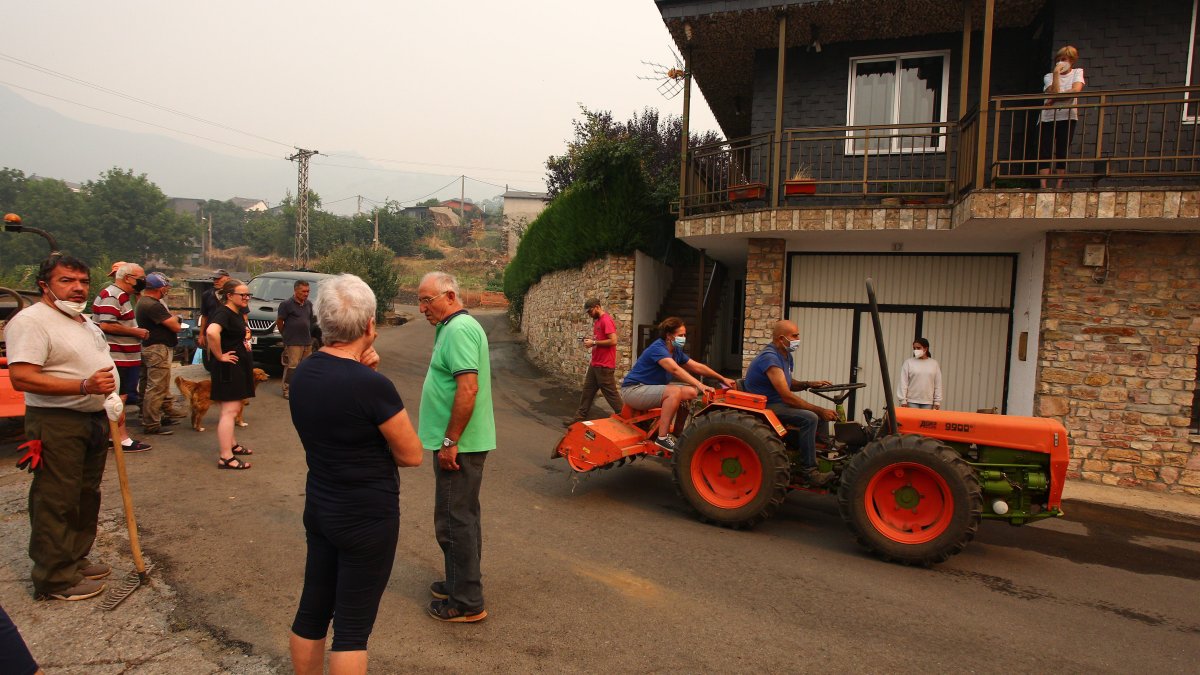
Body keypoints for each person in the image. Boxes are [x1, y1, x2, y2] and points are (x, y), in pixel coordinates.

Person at [288, 274, 423, 675]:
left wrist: (367, 371)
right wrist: (371, 377)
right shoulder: (373, 387)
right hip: (366, 515)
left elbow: (339, 408)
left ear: (322, 321)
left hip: (321, 506)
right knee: (351, 630)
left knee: (313, 609)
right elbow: (411, 455)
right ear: (370, 325)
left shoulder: (305, 373)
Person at [6, 254, 117, 601]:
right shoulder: (32, 322)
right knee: (57, 498)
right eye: (67, 281)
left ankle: (74, 558)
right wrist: (83, 387)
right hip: (57, 422)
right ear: (45, 285)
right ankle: (54, 577)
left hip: (93, 417)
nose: (77, 288)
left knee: (86, 495)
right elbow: (22, 377)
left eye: (83, 281)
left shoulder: (83, 321)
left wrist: (111, 401)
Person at [417, 271, 494, 623]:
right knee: (462, 517)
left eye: (426, 300)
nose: (421, 308)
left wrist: (450, 441)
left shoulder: (459, 329)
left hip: (459, 446)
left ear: (449, 296)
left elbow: (468, 389)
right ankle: (457, 582)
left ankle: (465, 601)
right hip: (460, 443)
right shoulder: (452, 327)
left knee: (454, 520)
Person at [619, 316, 736, 451]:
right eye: (680, 335)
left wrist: (722, 379)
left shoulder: (676, 351)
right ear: (669, 335)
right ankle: (662, 438)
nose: (684, 338)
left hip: (650, 389)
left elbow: (697, 367)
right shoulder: (658, 348)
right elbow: (675, 370)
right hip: (633, 390)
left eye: (684, 335)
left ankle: (678, 434)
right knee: (674, 392)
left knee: (691, 392)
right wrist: (701, 384)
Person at [742, 320, 837, 485]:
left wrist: (808, 383)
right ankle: (810, 471)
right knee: (811, 417)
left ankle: (823, 454)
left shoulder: (785, 355)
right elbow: (786, 396)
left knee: (818, 416)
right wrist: (819, 410)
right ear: (781, 338)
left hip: (776, 401)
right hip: (765, 405)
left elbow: (787, 382)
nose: (798, 338)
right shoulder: (770, 357)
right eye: (794, 335)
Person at [92, 261, 151, 452]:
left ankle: (114, 435)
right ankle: (120, 437)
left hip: (126, 355)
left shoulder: (123, 296)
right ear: (128, 278)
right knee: (119, 398)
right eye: (141, 278)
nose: (143, 282)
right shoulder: (113, 295)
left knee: (121, 396)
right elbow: (106, 325)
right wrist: (137, 332)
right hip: (119, 356)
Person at [205, 278, 256, 470]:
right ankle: (226, 457)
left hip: (237, 366)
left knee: (231, 409)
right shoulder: (223, 313)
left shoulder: (236, 312)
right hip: (228, 368)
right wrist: (220, 356)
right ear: (229, 296)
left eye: (248, 294)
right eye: (242, 295)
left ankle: (232, 444)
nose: (246, 298)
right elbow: (211, 332)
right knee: (229, 411)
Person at [135, 272, 184, 435]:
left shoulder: (143, 301)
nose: (167, 290)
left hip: (149, 347)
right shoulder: (153, 305)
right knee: (156, 387)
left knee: (147, 384)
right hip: (157, 349)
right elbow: (175, 326)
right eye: (165, 288)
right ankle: (152, 423)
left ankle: (148, 416)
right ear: (160, 288)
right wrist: (177, 318)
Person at [564, 298, 623, 426]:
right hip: (595, 363)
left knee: (610, 394)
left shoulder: (606, 320)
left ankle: (625, 418)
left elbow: (613, 341)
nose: (589, 314)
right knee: (587, 391)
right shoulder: (597, 321)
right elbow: (600, 339)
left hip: (604, 365)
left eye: (590, 311)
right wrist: (591, 340)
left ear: (597, 307)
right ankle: (579, 418)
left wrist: (594, 342)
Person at [1038, 45, 1085, 189]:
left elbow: (1075, 91)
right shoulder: (1049, 76)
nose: (1060, 62)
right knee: (1044, 149)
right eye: (1058, 60)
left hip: (1067, 116)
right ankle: (1043, 184)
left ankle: (1059, 183)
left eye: (1063, 59)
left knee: (1062, 148)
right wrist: (1056, 74)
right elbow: (1055, 91)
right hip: (1048, 117)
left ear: (1071, 60)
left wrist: (1053, 100)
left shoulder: (1078, 72)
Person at [277, 279, 316, 400]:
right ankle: (287, 389)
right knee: (292, 367)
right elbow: (279, 322)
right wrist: (286, 335)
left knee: (305, 367)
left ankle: (301, 388)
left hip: (306, 341)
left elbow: (309, 320)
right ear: (295, 290)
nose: (306, 294)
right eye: (303, 291)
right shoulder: (286, 304)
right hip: (293, 341)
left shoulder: (309, 304)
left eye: (308, 291)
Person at [197, 269, 230, 373]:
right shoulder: (207, 295)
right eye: (214, 279)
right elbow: (204, 316)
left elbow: (244, 315)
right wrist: (201, 334)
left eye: (219, 278)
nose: (216, 281)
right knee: (214, 362)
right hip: (212, 333)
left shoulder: (234, 294)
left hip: (229, 332)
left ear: (227, 279)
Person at [897, 337, 943, 410]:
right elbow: (903, 382)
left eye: (918, 348)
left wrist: (937, 401)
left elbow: (938, 384)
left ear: (926, 348)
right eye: (914, 348)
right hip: (911, 401)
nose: (916, 350)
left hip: (928, 402)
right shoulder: (908, 363)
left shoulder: (934, 364)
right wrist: (903, 400)